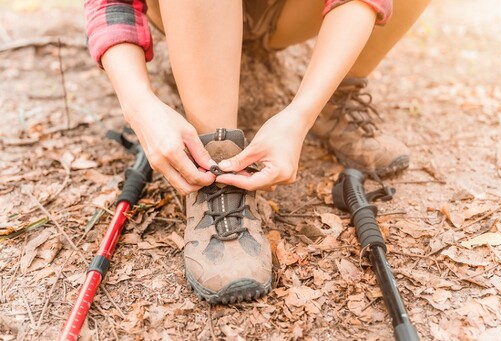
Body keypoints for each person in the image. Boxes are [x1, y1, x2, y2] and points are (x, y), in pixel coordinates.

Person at [84, 0, 430, 304]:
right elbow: (110, 3)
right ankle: (216, 157)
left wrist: (301, 115)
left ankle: (333, 101)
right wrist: (139, 105)